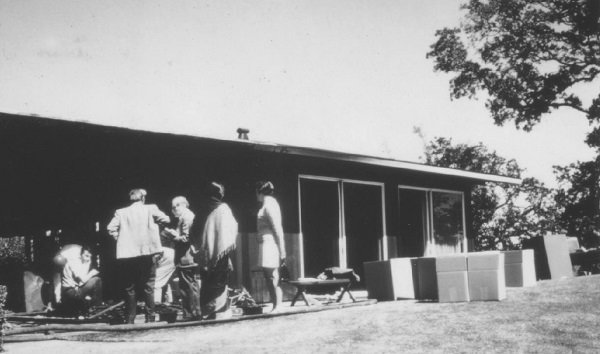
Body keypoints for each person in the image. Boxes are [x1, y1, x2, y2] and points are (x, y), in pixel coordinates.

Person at [107, 188, 170, 323]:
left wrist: (121, 239)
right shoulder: (151, 208)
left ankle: (130, 319)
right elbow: (166, 219)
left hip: (128, 255)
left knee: (130, 287)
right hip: (147, 253)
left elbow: (110, 228)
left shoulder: (121, 212)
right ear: (143, 198)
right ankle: (150, 317)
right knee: (148, 286)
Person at [199, 182, 238, 319]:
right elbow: (231, 228)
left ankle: (210, 311)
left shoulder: (207, 209)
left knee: (211, 281)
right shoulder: (223, 208)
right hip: (220, 253)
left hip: (209, 252)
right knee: (218, 281)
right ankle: (218, 310)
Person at [161, 196, 201, 320]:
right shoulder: (184, 217)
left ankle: (193, 314)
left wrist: (172, 235)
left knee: (189, 286)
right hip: (184, 257)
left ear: (182, 205)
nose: (173, 210)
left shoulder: (186, 216)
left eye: (175, 207)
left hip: (186, 257)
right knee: (187, 286)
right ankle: (191, 313)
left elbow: (185, 238)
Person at [255, 181, 286, 313]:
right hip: (265, 243)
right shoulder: (266, 204)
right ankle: (275, 305)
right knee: (268, 276)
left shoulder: (270, 204)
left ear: (259, 192)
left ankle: (278, 305)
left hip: (271, 243)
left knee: (272, 275)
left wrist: (282, 250)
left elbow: (277, 228)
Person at [60, 245, 103, 315]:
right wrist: (92, 273)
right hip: (70, 292)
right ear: (80, 255)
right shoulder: (74, 263)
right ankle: (96, 307)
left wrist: (88, 264)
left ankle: (91, 305)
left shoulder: (84, 262)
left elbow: (82, 282)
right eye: (86, 256)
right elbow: (82, 280)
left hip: (76, 289)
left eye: (90, 257)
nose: (88, 259)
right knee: (96, 280)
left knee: (95, 281)